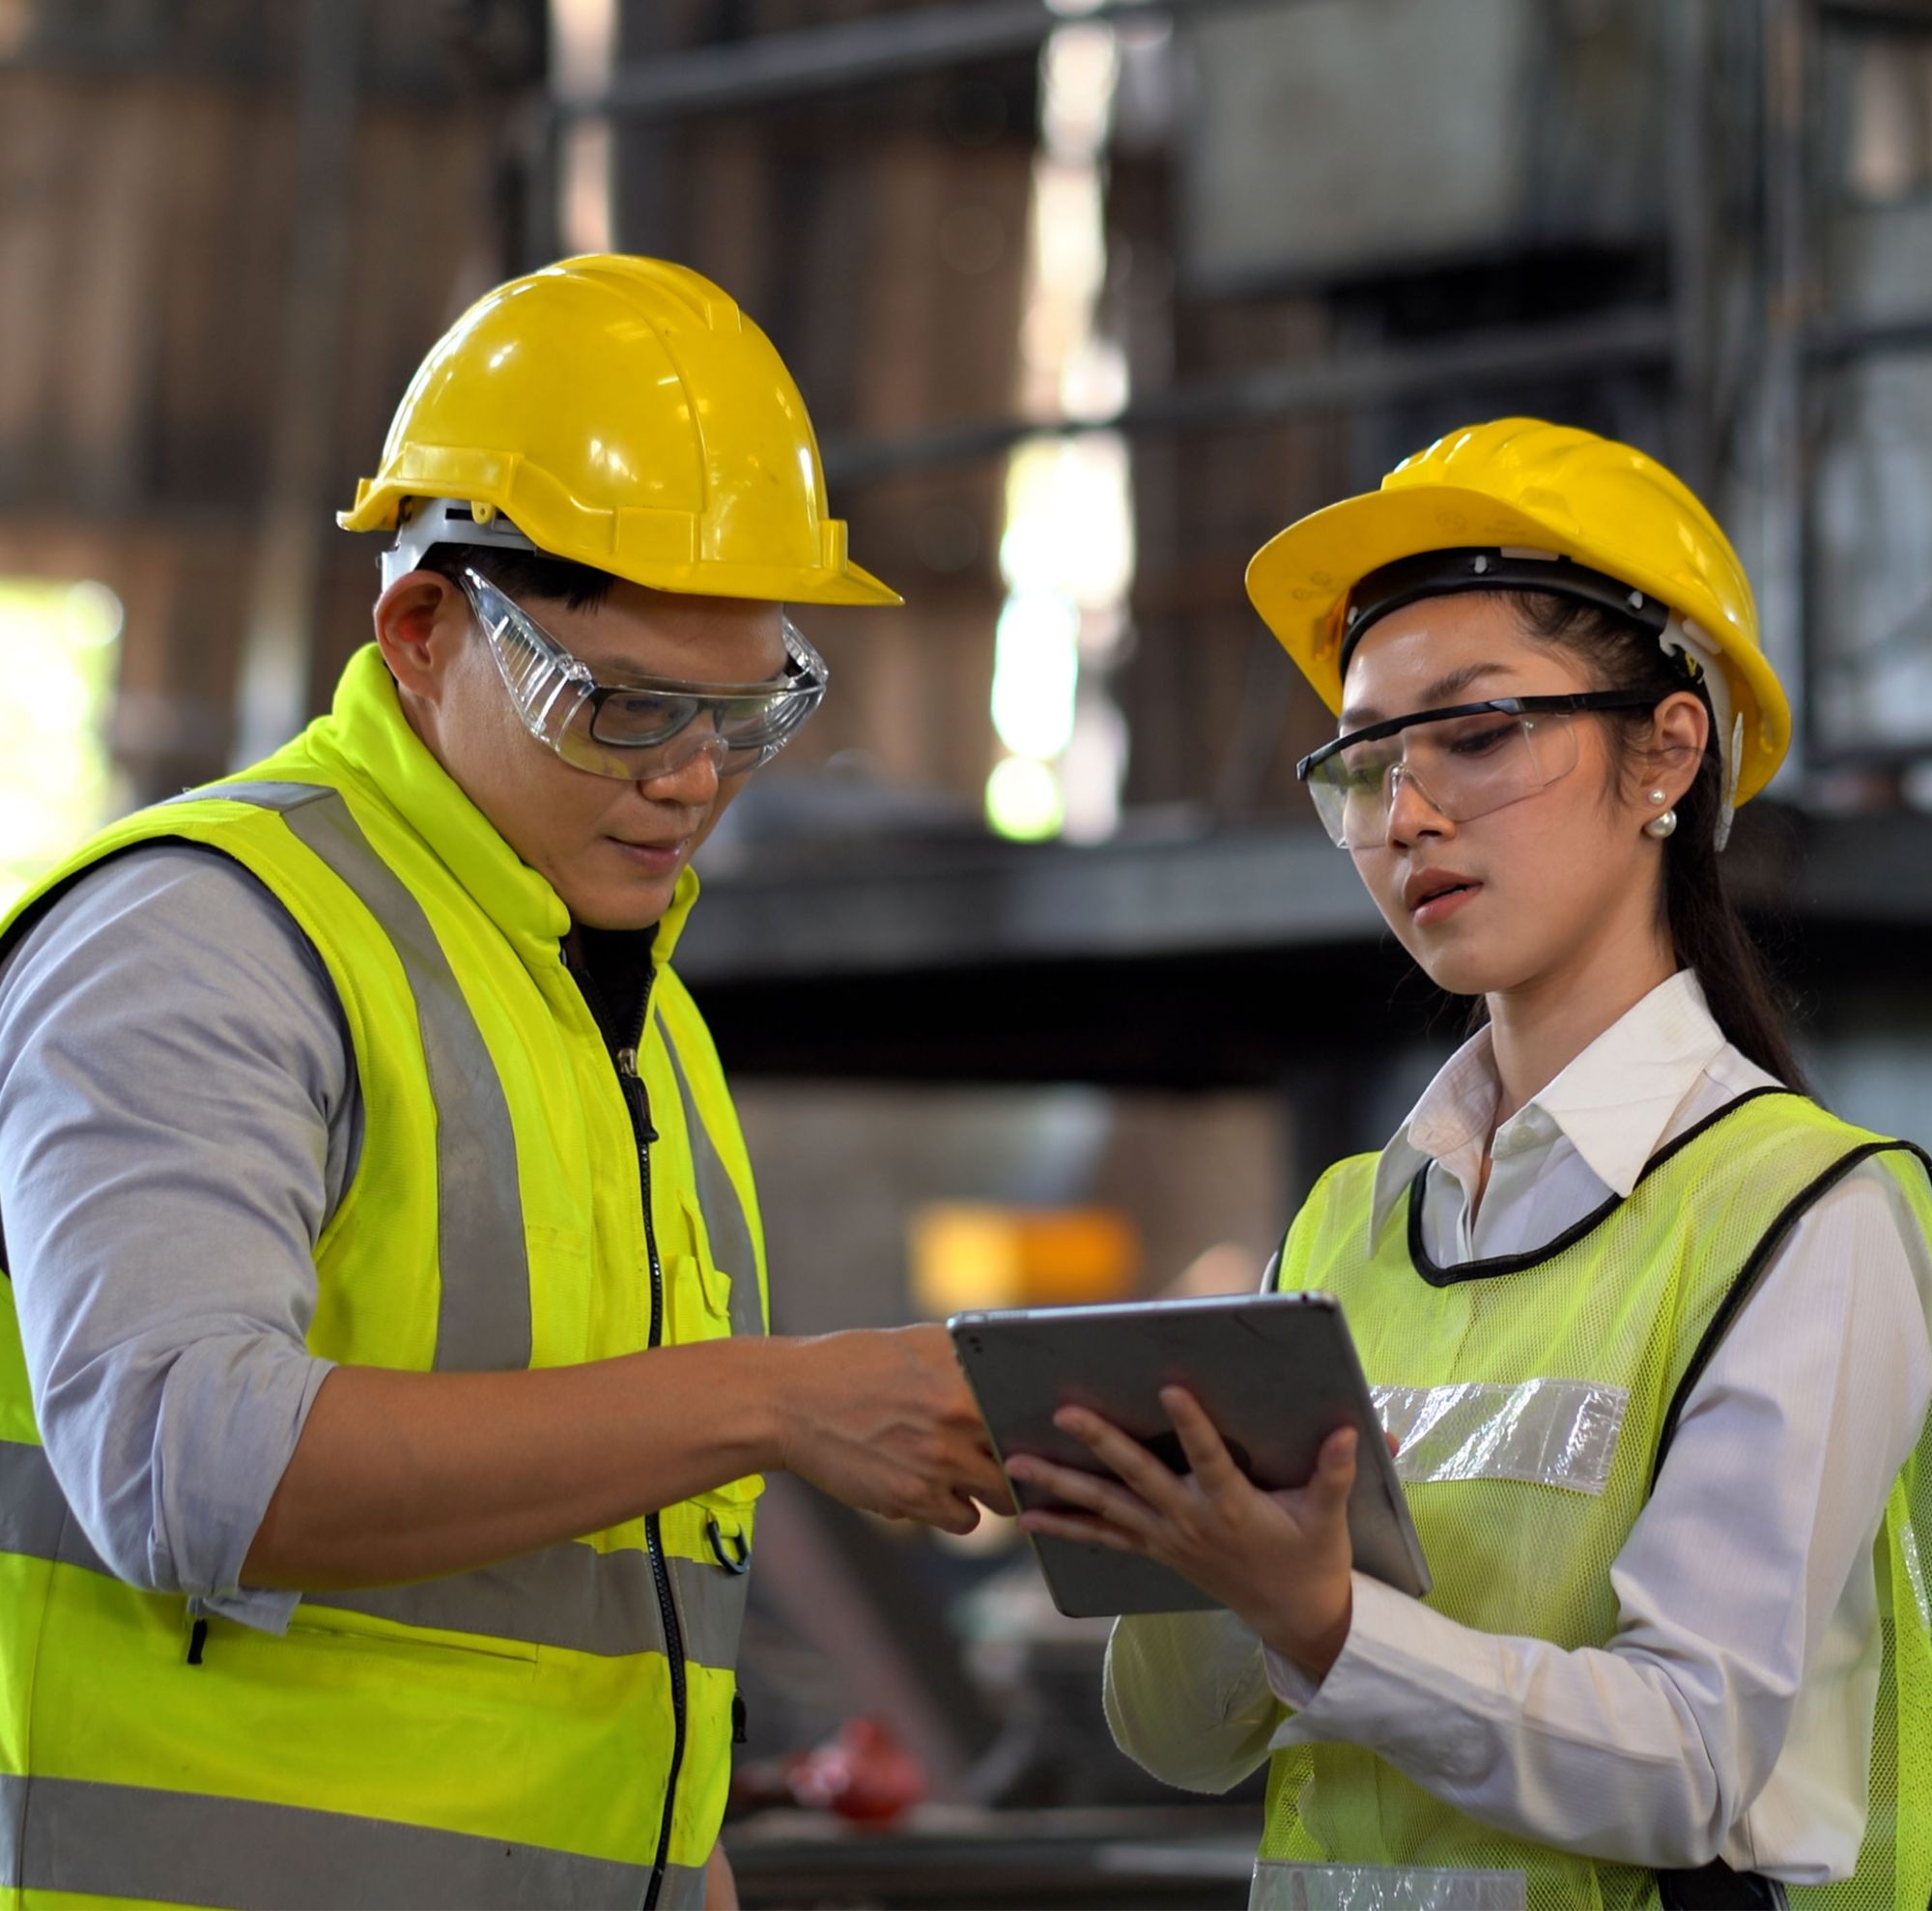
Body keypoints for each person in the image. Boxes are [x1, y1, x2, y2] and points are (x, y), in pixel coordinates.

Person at [0, 254, 1005, 1911]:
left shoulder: (628, 1014)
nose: (691, 778)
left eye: (744, 714)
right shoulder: (204, 937)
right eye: (623, 707)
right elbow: (177, 1460)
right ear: (422, 632)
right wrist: (772, 1398)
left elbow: (589, 1636)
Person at [1005, 420, 1932, 1909]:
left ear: (1667, 750)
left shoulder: (1810, 1217)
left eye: (1478, 733)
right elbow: (1180, 1741)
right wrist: (1183, 1542)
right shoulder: (1348, 1225)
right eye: (1367, 760)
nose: (1409, 813)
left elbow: (1693, 1757)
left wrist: (1327, 1621)